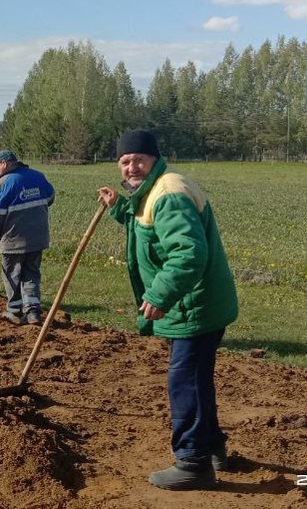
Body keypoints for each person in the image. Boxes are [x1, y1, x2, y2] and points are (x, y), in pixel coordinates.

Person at [97, 129, 238, 491]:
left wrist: (159, 295)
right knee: (196, 377)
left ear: (154, 158)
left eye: (138, 159)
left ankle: (193, 463)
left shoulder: (169, 194)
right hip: (198, 302)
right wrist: (120, 208)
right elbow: (149, 229)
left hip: (193, 304)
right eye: (124, 161)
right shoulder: (154, 190)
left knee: (184, 380)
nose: (131, 167)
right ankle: (213, 448)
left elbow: (188, 253)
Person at [0, 149, 55, 325]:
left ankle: (14, 311)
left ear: (4, 163)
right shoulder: (38, 176)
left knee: (11, 274)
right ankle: (33, 312)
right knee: (31, 273)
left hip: (12, 239)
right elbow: (50, 197)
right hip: (37, 238)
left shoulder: (1, 185)